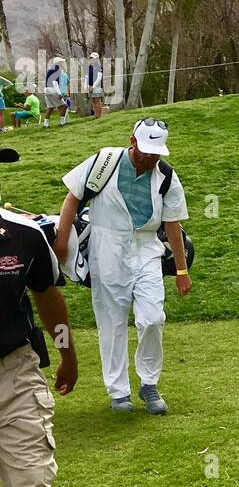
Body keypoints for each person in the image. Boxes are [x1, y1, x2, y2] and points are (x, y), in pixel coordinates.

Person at [54, 119, 192, 414]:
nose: (150, 158)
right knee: (111, 320)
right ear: (132, 141)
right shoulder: (104, 161)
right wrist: (62, 242)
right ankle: (119, 393)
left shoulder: (166, 176)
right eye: (146, 151)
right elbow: (72, 198)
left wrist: (181, 271)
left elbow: (173, 224)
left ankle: (149, 383)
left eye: (156, 153)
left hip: (146, 249)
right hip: (107, 246)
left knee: (153, 317)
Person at [0, 147, 80, 487]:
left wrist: (66, 350)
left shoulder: (25, 234)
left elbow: (47, 293)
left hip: (15, 375)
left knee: (32, 484)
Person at [43, 56, 72, 128]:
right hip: (53, 90)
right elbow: (54, 82)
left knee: (50, 107)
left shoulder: (50, 70)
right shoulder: (57, 70)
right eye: (61, 62)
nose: (62, 63)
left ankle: (45, 124)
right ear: (58, 63)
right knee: (64, 106)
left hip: (46, 90)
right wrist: (59, 93)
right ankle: (62, 123)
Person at [86, 53, 104, 119]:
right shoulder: (89, 67)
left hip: (97, 86)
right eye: (91, 58)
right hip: (90, 87)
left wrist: (93, 87)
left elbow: (99, 78)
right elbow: (87, 77)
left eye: (93, 58)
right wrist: (87, 86)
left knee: (97, 100)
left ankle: (99, 116)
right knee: (93, 101)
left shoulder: (99, 67)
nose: (92, 60)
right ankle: (96, 115)